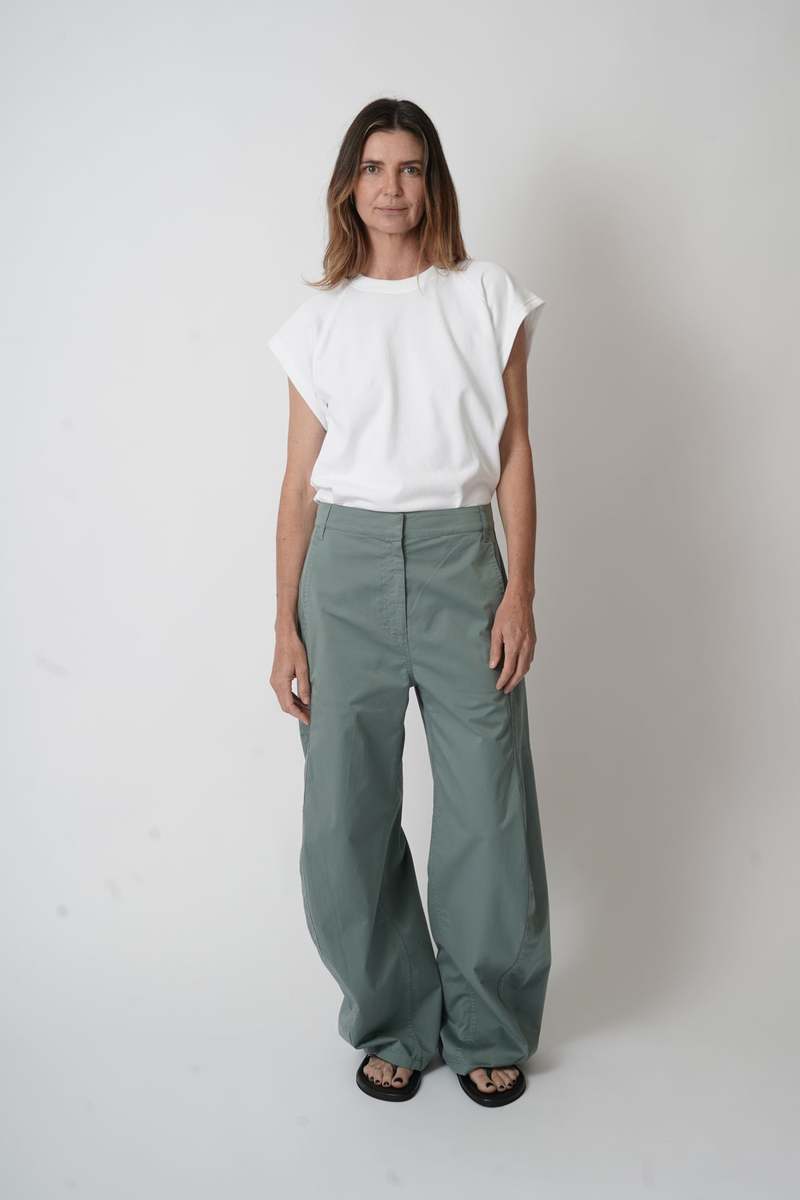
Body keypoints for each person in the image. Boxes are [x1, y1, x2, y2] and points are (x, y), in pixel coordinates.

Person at [267, 98, 551, 1108]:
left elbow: (513, 452)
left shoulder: (484, 297)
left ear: (433, 184)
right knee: (343, 818)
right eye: (374, 168)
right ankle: (394, 1017)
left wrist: (519, 588)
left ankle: (487, 1024)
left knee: (486, 808)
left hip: (460, 564)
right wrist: (283, 624)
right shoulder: (318, 323)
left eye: (411, 168)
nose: (392, 187)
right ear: (349, 185)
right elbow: (298, 485)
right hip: (341, 573)